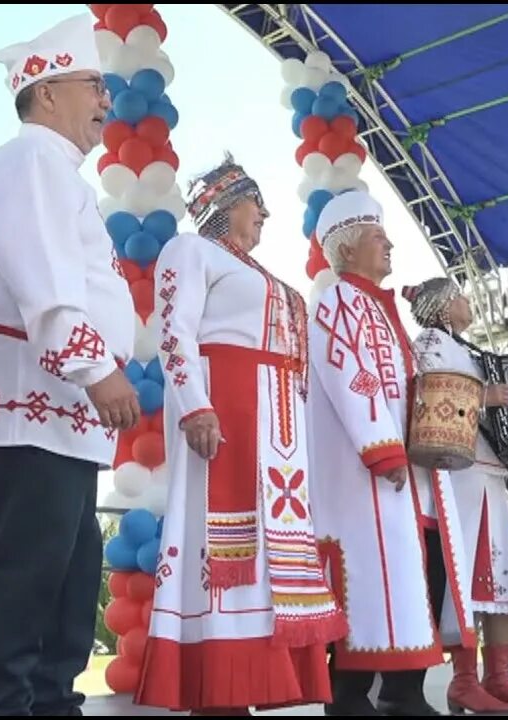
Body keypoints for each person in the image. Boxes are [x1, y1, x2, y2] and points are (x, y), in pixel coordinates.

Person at [0, 14, 140, 716]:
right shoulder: (30, 162)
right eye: (95, 86)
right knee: (27, 575)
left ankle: (51, 704)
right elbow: (45, 280)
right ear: (48, 91)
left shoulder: (51, 171)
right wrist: (96, 367)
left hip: (55, 403)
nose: (106, 104)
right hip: (32, 388)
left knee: (64, 577)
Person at [133, 156, 346, 715]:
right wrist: (195, 407)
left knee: (268, 551)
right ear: (226, 206)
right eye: (257, 204)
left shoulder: (254, 270)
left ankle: (250, 685)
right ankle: (217, 687)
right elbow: (175, 331)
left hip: (273, 427)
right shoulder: (189, 250)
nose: (266, 215)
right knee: (222, 543)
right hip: (223, 411)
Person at [308, 191, 475, 716]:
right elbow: (349, 377)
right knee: (364, 575)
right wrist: (382, 448)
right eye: (378, 236)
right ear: (347, 247)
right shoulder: (336, 301)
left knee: (416, 571)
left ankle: (404, 691)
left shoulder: (381, 311)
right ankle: (348, 695)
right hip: (365, 471)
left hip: (410, 468)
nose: (389, 244)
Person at [406, 278, 508, 713]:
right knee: (465, 573)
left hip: (489, 470)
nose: (469, 303)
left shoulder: (465, 348)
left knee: (502, 572)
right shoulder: (430, 341)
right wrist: (486, 396)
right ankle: (464, 679)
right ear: (444, 306)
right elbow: (430, 393)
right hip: (458, 474)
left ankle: (499, 676)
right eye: (462, 297)